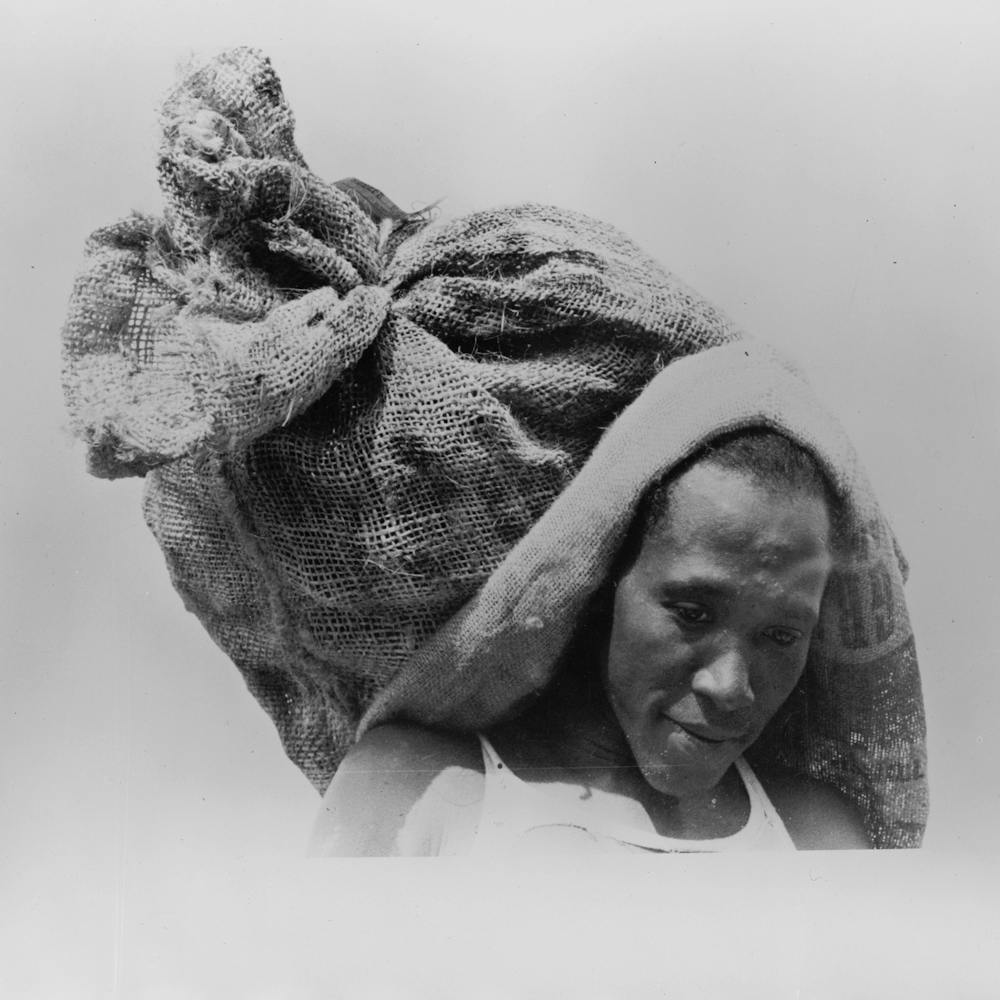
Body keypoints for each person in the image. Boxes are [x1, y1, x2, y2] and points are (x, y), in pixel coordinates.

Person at [309, 429, 871, 855]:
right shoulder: (420, 788)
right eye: (693, 612)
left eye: (781, 635)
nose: (730, 687)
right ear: (602, 586)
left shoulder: (814, 836)